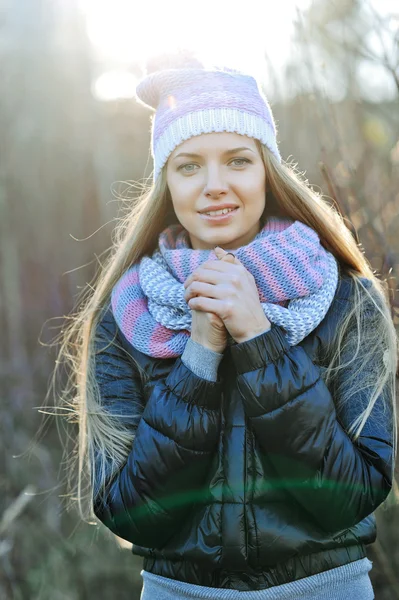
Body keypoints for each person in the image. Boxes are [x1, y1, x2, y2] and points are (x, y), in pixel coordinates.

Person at [57, 50, 397, 599]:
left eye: (238, 159)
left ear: (268, 170)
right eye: (189, 165)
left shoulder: (344, 298)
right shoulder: (126, 315)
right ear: (166, 181)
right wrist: (199, 355)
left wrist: (259, 340)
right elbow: (130, 512)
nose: (214, 184)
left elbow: (351, 494)